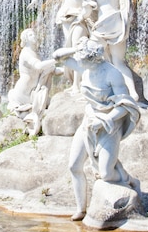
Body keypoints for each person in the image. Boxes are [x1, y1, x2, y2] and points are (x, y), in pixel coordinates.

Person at [53, 38, 141, 221]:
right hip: (89, 122)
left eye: (82, 57)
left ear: (93, 59)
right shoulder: (84, 67)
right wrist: (77, 47)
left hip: (109, 125)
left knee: (107, 175)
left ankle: (130, 179)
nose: (78, 60)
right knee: (74, 165)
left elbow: (126, 104)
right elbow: (57, 56)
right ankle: (80, 209)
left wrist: (106, 119)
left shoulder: (112, 74)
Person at [78, 0, 139, 100]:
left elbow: (86, 11)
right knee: (118, 61)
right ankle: (133, 93)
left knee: (88, 56)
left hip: (104, 23)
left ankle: (90, 91)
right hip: (118, 20)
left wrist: (80, 17)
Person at [8, 28, 63, 135]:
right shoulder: (26, 53)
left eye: (34, 34)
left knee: (52, 104)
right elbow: (38, 66)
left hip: (33, 90)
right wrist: (57, 59)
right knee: (49, 104)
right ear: (25, 39)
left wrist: (70, 70)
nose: (35, 36)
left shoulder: (35, 52)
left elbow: (51, 69)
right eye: (31, 35)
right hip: (23, 92)